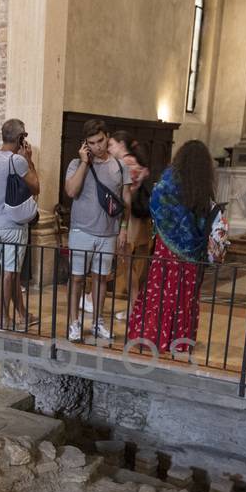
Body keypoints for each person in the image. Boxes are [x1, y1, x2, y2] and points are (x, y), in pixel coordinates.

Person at [126, 140, 216, 357]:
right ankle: (179, 340)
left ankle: (152, 336)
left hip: (166, 253)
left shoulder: (167, 184)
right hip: (193, 255)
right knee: (184, 297)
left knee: (161, 294)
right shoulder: (202, 188)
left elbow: (156, 206)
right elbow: (204, 221)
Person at [64, 118, 128, 343]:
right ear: (85, 144)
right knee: (77, 279)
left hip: (108, 233)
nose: (97, 146)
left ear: (107, 136)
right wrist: (84, 163)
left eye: (100, 141)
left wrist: (124, 229)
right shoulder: (75, 164)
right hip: (81, 231)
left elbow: (125, 201)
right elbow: (71, 191)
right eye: (91, 143)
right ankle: (73, 323)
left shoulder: (119, 166)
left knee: (102, 279)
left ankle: (98, 321)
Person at [0, 118, 40, 331]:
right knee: (8, 274)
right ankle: (3, 319)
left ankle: (23, 315)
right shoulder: (17, 161)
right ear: (20, 138)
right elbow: (36, 187)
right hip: (14, 226)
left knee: (10, 272)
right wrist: (30, 160)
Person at [109, 130, 152, 319]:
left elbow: (121, 195)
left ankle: (134, 308)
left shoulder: (125, 164)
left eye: (111, 144)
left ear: (121, 144)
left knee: (128, 264)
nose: (109, 148)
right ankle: (137, 307)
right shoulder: (137, 162)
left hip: (130, 220)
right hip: (141, 219)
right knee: (137, 265)